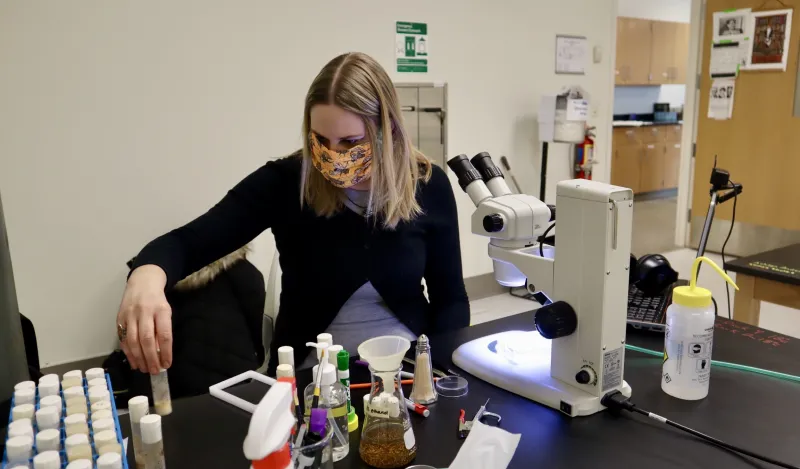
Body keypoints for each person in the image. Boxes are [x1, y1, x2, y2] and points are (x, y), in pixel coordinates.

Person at [116, 52, 470, 375]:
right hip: (313, 375)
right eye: (321, 140)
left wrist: (441, 370)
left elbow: (450, 299)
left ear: (387, 130)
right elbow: (188, 242)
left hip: (406, 368)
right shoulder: (285, 183)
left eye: (350, 143)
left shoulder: (428, 185)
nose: (333, 156)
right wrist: (147, 276)